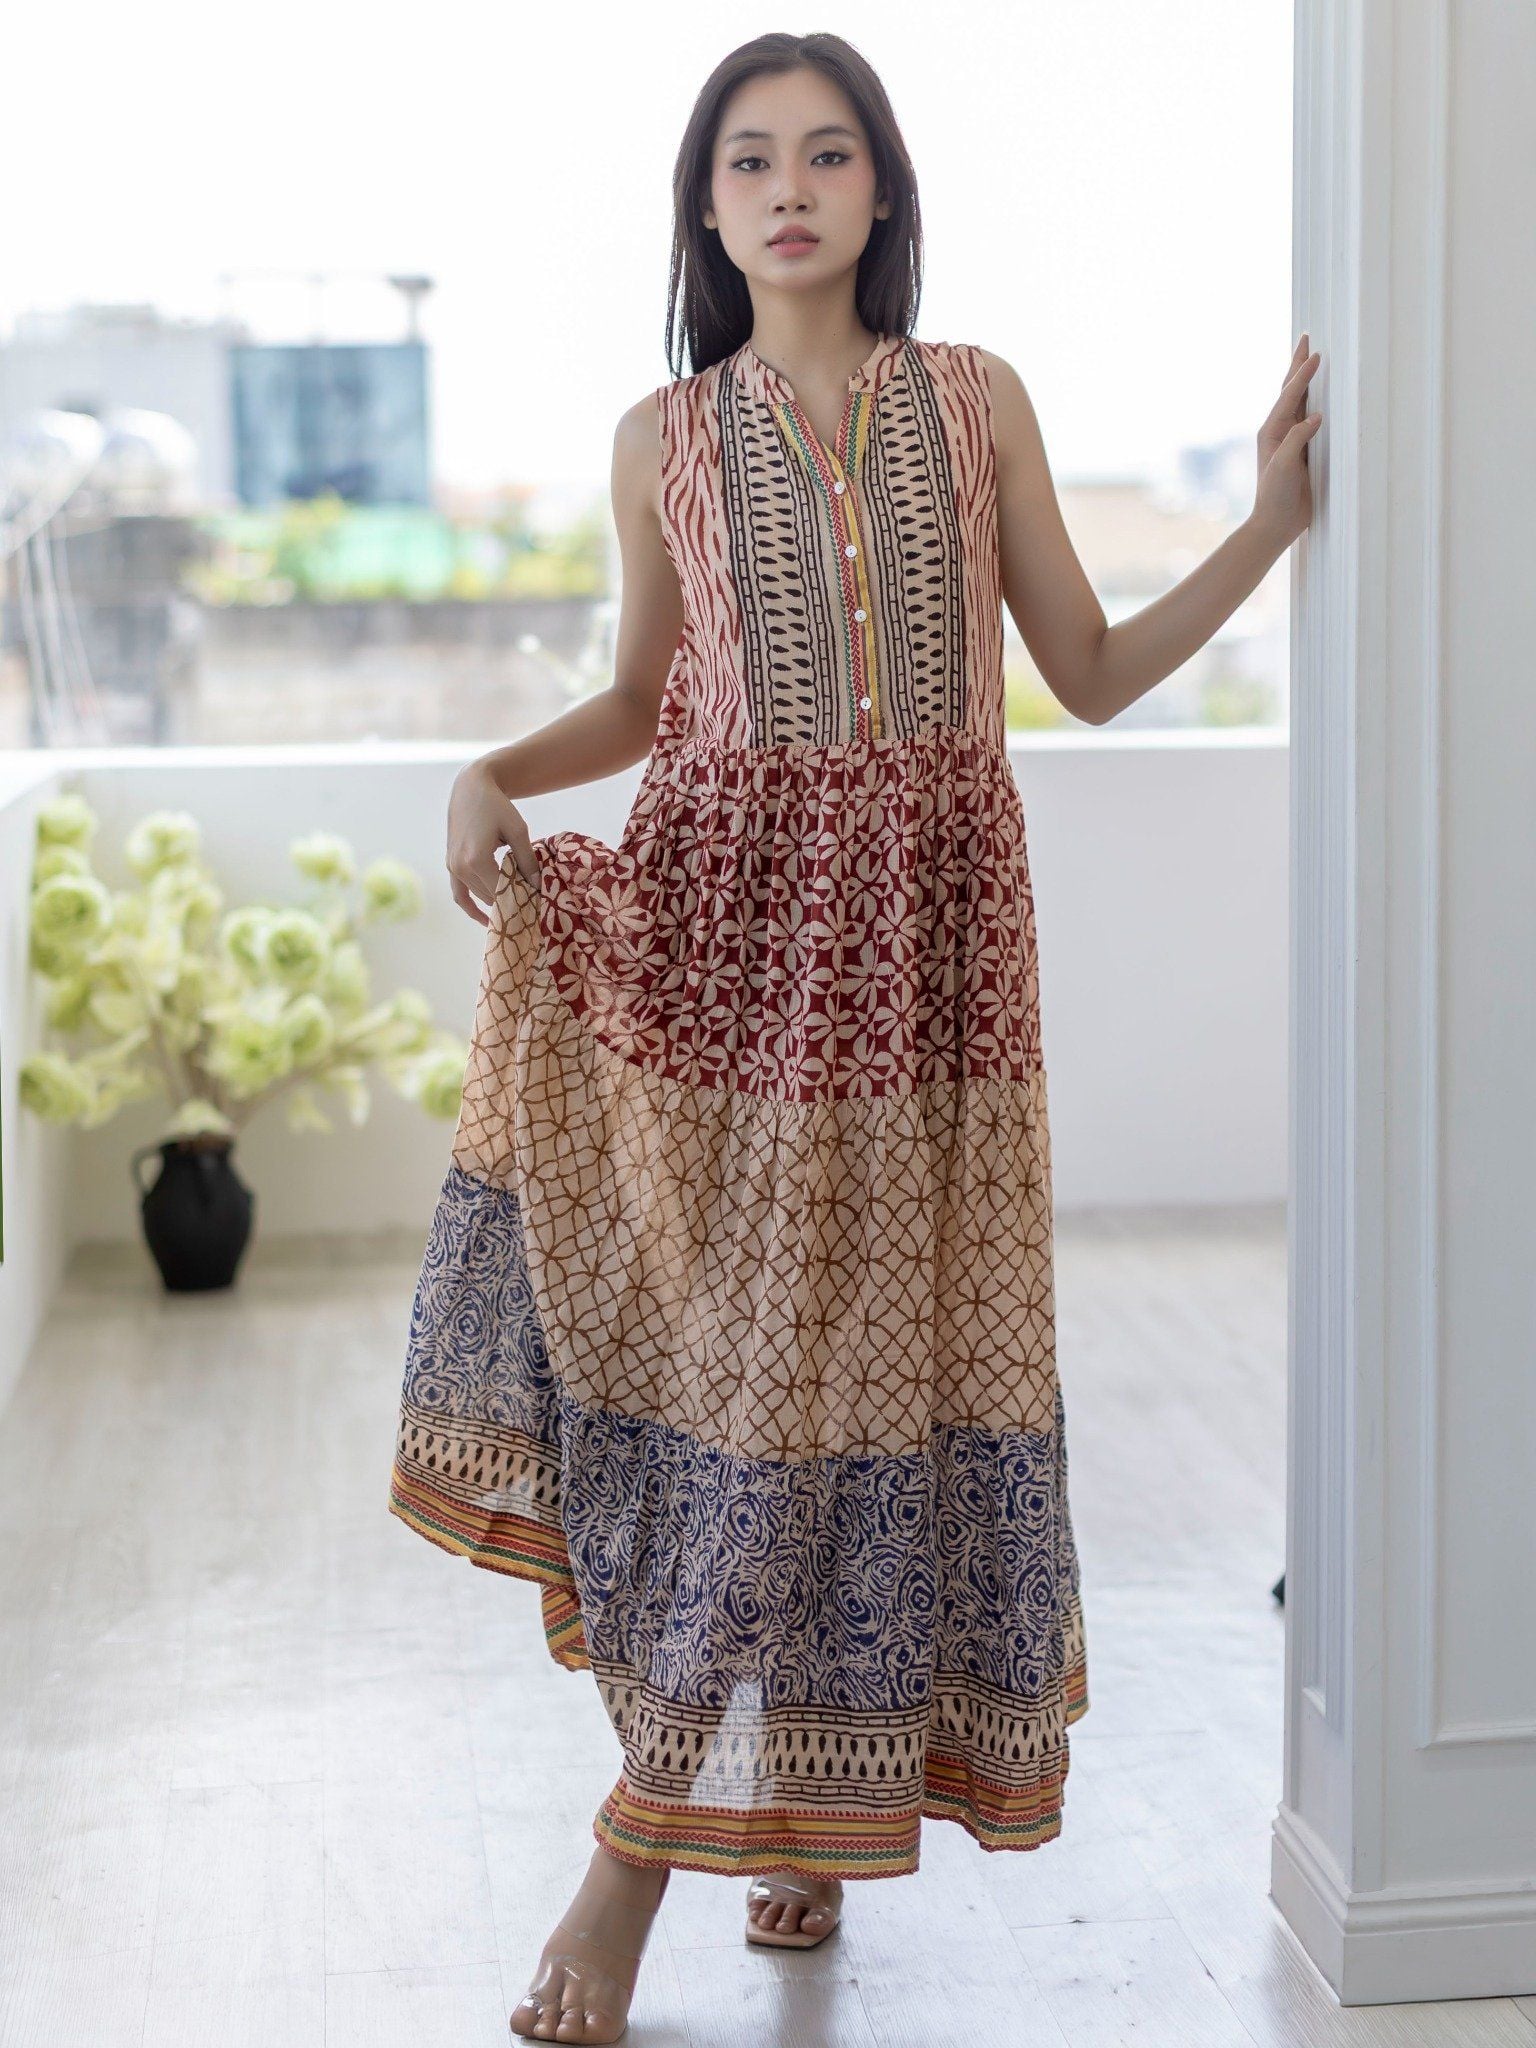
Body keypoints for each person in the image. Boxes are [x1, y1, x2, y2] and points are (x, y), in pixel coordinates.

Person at [388, 29, 1321, 2046]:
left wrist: (1263, 526)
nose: (789, 188)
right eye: (749, 161)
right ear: (707, 209)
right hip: (731, 962)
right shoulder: (661, 435)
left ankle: (791, 1816)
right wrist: (487, 770)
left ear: (881, 189)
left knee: (867, 1391)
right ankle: (637, 1867)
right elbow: (643, 697)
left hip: (938, 971)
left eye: (826, 154)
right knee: (760, 1394)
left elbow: (1084, 669)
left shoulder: (976, 401)